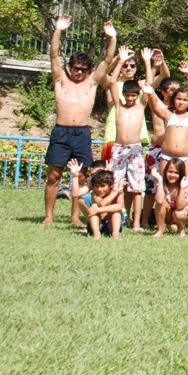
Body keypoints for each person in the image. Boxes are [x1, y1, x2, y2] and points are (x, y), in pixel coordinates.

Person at [44, 16, 116, 225]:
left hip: (81, 134)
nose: (79, 72)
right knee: (53, 177)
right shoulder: (61, 80)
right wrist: (58, 30)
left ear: (88, 70)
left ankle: (75, 216)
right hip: (61, 132)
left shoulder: (92, 83)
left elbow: (108, 60)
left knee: (82, 178)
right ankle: (48, 216)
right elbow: (54, 54)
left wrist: (112, 37)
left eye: (83, 69)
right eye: (76, 68)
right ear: (70, 67)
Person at [106, 53, 148, 232]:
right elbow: (112, 82)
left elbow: (149, 85)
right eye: (128, 95)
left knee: (136, 187)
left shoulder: (141, 106)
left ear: (138, 95)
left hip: (135, 149)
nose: (130, 99)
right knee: (116, 184)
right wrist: (120, 62)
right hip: (118, 148)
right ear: (123, 95)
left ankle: (136, 222)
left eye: (133, 96)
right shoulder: (118, 106)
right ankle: (116, 217)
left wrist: (147, 62)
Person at [150, 160, 188, 236]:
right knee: (161, 203)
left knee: (180, 213)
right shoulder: (163, 184)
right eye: (170, 171)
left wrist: (182, 189)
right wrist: (160, 182)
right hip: (167, 214)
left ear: (181, 174)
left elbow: (180, 206)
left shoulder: (184, 185)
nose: (172, 175)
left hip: (179, 214)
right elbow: (159, 201)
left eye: (176, 173)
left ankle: (181, 229)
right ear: (165, 171)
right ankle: (160, 229)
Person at [82, 170, 124, 239]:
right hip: (98, 224)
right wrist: (116, 192)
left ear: (111, 185)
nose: (99, 189)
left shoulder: (118, 193)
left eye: (103, 186)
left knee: (116, 212)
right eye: (96, 186)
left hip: (111, 225)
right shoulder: (94, 193)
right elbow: (102, 203)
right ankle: (96, 234)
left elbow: (119, 206)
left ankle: (115, 234)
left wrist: (97, 210)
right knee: (94, 205)